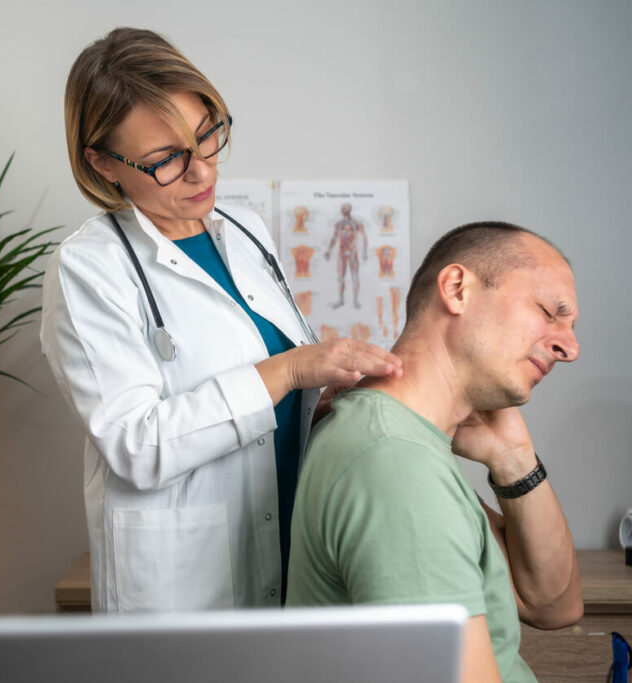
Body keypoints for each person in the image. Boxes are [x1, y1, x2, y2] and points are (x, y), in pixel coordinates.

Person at [41, 28, 402, 613]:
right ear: (102, 162)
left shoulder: (244, 230)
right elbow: (136, 444)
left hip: (294, 542)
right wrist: (287, 371)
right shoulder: (87, 269)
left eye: (207, 136)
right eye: (165, 160)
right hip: (188, 587)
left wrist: (322, 391)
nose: (201, 172)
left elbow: (279, 395)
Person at [287, 222, 584, 682]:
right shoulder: (396, 464)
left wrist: (514, 457)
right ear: (457, 289)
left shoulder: (409, 442)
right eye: (549, 312)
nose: (570, 347)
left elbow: (554, 604)